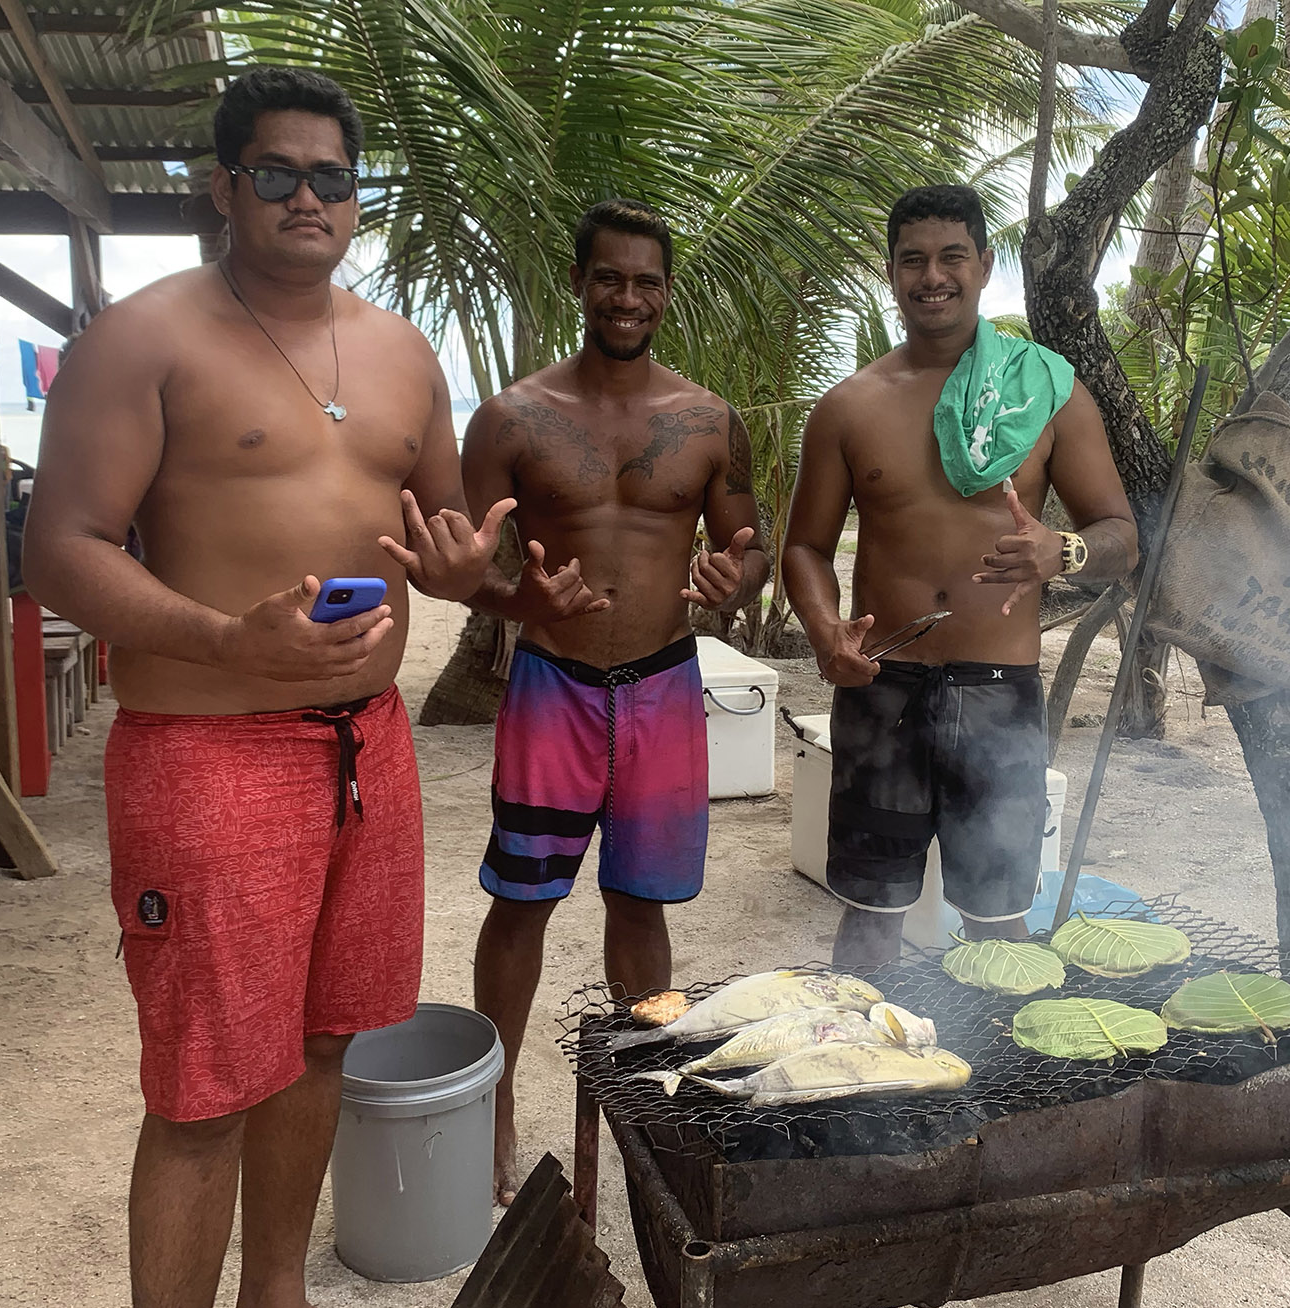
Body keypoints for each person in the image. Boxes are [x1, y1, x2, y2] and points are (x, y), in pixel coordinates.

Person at [23, 67, 509, 1308]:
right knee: (202, 1089)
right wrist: (225, 635)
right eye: (278, 172)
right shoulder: (146, 336)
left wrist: (467, 570)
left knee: (330, 1042)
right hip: (204, 748)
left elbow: (445, 527)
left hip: (368, 744)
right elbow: (61, 544)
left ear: (356, 197)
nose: (308, 196)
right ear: (225, 185)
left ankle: (275, 1305)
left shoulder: (404, 353)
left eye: (332, 176)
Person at [460, 198, 769, 1204]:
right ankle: (496, 1101)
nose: (627, 296)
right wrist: (514, 596)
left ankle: (643, 1103)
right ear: (579, 282)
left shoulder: (706, 420)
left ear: (664, 291)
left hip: (663, 684)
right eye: (609, 277)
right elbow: (461, 565)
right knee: (522, 899)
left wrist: (738, 580)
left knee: (641, 901)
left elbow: (746, 545)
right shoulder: (512, 418)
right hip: (551, 683)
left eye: (645, 280)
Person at [782, 184, 1138, 971]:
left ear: (982, 266)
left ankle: (1000, 1093)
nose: (932, 276)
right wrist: (823, 631)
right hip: (883, 689)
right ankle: (860, 1087)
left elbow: (1120, 535)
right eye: (913, 260)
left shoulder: (1046, 393)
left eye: (951, 257)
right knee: (871, 918)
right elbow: (804, 547)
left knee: (1000, 925)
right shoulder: (850, 407)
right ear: (892, 273)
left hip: (999, 693)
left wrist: (1063, 553)